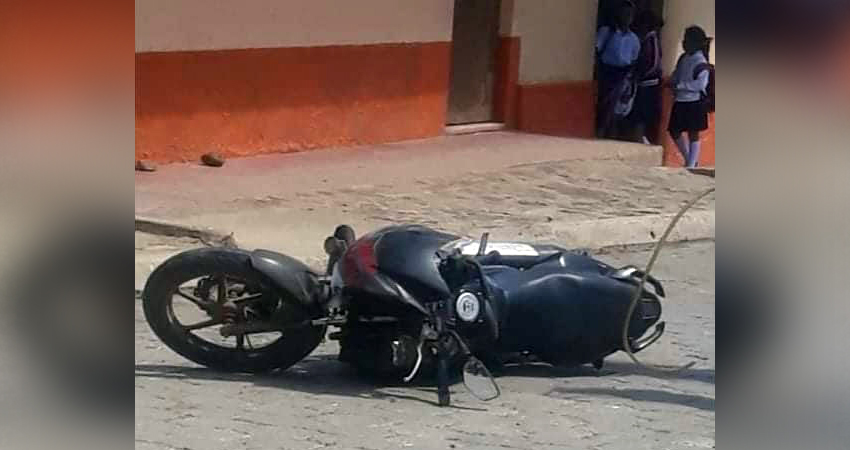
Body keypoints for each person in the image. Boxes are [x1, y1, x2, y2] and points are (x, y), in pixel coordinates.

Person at [595, 0, 640, 139]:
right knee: (604, 106)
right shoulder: (607, 32)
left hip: (623, 74)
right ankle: (600, 134)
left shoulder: (634, 39)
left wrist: (630, 80)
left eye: (629, 14)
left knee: (619, 110)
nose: (626, 17)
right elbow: (596, 50)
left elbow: (634, 59)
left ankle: (611, 137)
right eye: (624, 14)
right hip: (608, 72)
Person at [667, 25, 711, 168]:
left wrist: (681, 86)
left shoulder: (701, 62)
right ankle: (688, 158)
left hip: (694, 101)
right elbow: (677, 73)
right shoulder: (683, 58)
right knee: (674, 130)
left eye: (688, 40)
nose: (684, 43)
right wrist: (672, 81)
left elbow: (700, 85)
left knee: (693, 132)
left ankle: (691, 164)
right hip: (680, 100)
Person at [629, 10, 664, 144]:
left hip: (647, 84)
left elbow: (652, 63)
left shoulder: (650, 40)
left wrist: (639, 75)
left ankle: (639, 140)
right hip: (648, 83)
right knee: (641, 115)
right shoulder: (649, 40)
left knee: (641, 115)